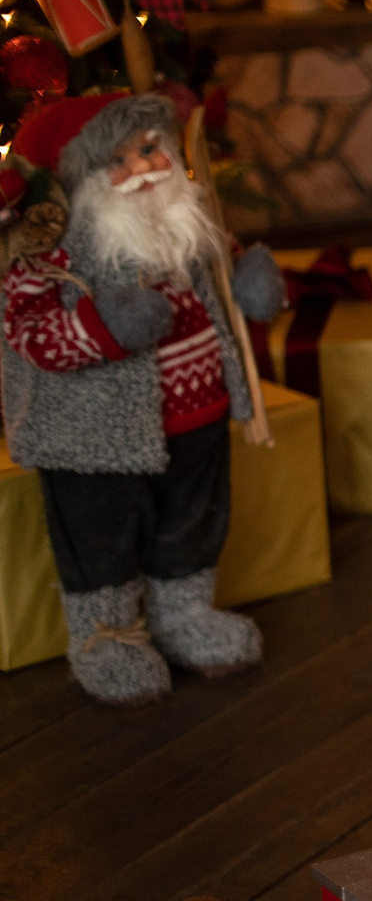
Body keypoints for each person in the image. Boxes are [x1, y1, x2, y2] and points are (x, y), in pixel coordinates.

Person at [0, 91, 286, 704]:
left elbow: (220, 266)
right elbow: (27, 332)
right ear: (75, 175)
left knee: (192, 522)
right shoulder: (49, 251)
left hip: (198, 418)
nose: (143, 169)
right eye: (118, 160)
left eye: (150, 149)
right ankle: (108, 636)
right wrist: (102, 329)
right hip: (92, 441)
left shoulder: (183, 221)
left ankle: (183, 615)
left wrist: (250, 279)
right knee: (101, 536)